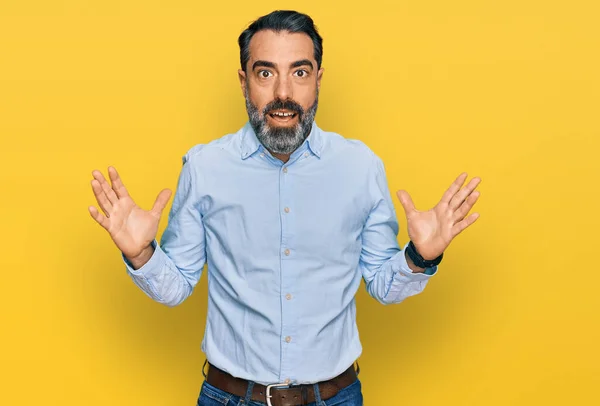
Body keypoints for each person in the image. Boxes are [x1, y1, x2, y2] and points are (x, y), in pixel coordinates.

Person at [88, 10, 481, 406]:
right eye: (265, 73)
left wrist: (419, 257)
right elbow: (175, 287)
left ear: (318, 80)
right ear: (244, 82)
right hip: (230, 397)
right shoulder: (205, 168)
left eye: (299, 72)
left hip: (336, 397)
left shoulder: (360, 167)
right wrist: (140, 253)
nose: (282, 92)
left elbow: (382, 282)